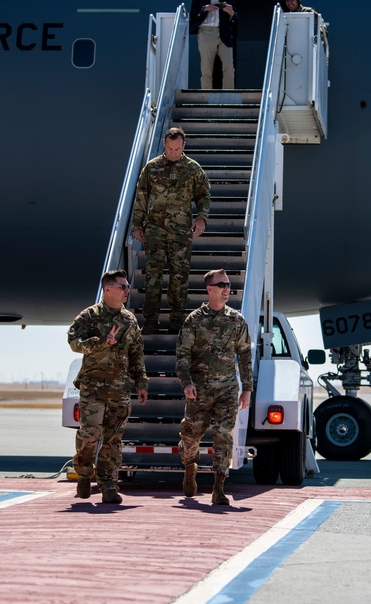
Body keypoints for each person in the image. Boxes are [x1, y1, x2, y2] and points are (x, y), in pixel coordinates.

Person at [67, 269, 149, 504]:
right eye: (122, 287)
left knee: (113, 439)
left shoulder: (129, 320)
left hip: (119, 388)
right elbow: (74, 343)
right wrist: (102, 342)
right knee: (90, 434)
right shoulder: (89, 316)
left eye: (127, 286)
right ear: (108, 290)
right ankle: (84, 474)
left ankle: (108, 485)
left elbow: (136, 353)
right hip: (93, 387)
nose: (127, 290)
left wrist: (141, 382)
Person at [175, 269, 252, 505]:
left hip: (227, 389)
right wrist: (186, 382)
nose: (227, 288)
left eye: (229, 284)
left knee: (223, 437)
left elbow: (245, 355)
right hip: (199, 390)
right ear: (209, 289)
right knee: (190, 438)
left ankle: (219, 487)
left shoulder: (237, 320)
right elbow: (182, 354)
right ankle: (190, 466)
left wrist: (246, 387)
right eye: (222, 285)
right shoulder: (194, 320)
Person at [131, 127, 211, 334]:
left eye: (176, 149)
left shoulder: (193, 169)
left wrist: (202, 218)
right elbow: (141, 197)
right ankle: (150, 320)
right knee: (153, 275)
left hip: (181, 231)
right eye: (169, 148)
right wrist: (137, 225)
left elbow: (203, 196)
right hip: (155, 229)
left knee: (179, 276)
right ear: (164, 146)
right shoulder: (152, 167)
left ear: (183, 146)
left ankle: (177, 319)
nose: (172, 152)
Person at [190, 1, 238, 90]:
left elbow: (236, 19)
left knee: (229, 68)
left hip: (224, 34)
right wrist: (204, 8)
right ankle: (206, 98)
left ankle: (228, 99)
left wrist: (231, 13)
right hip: (205, 32)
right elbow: (193, 15)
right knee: (206, 70)